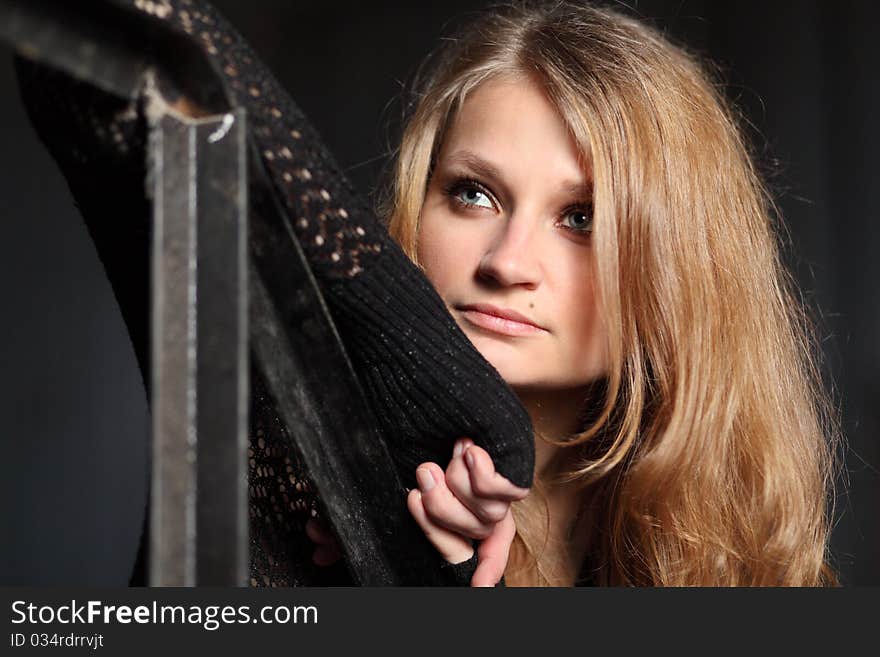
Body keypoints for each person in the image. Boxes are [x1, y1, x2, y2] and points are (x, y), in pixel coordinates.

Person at [312, 0, 840, 586]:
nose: (506, 262)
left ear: (679, 273)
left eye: (583, 220)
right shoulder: (304, 488)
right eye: (473, 194)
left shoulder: (733, 561)